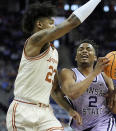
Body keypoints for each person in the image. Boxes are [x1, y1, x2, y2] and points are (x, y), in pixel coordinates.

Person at [6, 0, 102, 130]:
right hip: (23, 110)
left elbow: (55, 90)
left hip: (45, 112)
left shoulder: (53, 52)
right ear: (39, 24)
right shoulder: (34, 41)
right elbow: (71, 22)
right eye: (51, 23)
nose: (54, 26)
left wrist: (70, 110)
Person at [60, 39, 116, 131]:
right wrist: (94, 73)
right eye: (81, 49)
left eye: (88, 49)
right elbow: (72, 94)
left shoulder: (105, 76)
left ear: (95, 57)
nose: (84, 51)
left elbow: (115, 109)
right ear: (76, 57)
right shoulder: (68, 73)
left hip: (103, 123)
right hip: (79, 126)